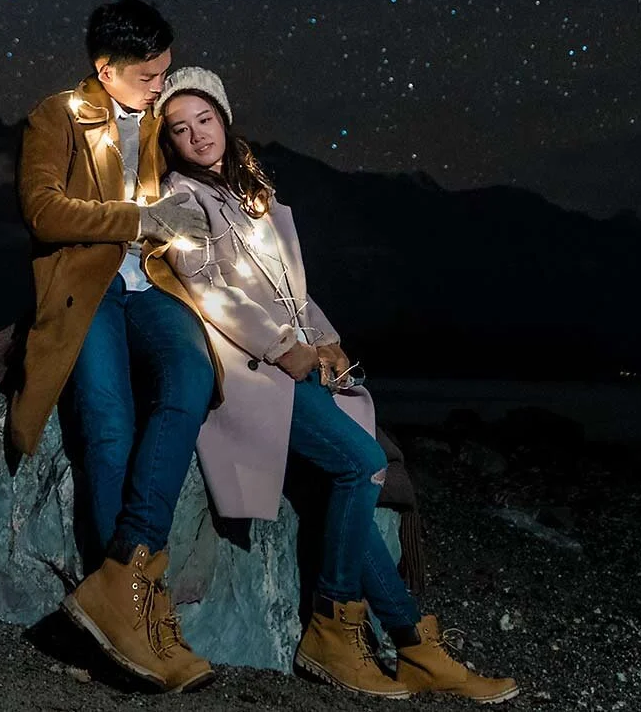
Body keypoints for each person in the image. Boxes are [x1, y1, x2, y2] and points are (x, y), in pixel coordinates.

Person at [154, 67, 519, 702]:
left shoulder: (252, 197)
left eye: (204, 120)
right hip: (254, 371)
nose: (196, 136)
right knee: (363, 463)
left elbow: (294, 291)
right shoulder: (180, 200)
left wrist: (327, 338)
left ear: (224, 118)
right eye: (180, 129)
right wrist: (282, 347)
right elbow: (208, 288)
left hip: (296, 362)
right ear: (171, 142)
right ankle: (331, 627)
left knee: (350, 478)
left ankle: (414, 646)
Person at [11, 0, 217, 692]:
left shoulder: (162, 122)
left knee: (192, 371)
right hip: (89, 285)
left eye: (165, 71)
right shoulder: (57, 115)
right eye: (152, 74)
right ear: (107, 69)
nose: (163, 84)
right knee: (108, 423)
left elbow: (213, 161)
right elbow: (41, 210)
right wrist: (138, 215)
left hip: (152, 284)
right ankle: (126, 612)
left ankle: (127, 581)